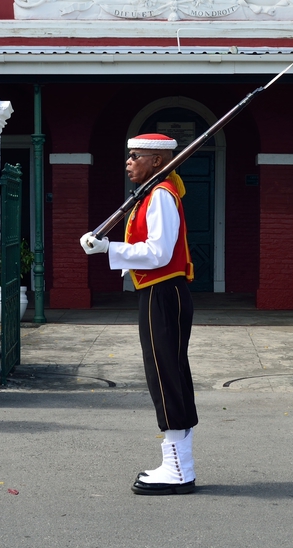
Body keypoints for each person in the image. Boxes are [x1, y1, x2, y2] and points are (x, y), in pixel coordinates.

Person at [80, 133, 198, 495]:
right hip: (159, 292)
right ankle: (179, 463)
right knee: (169, 373)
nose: (129, 162)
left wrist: (108, 249)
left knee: (164, 375)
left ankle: (177, 469)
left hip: (162, 291)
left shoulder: (160, 194)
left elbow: (159, 253)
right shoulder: (154, 192)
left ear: (157, 161)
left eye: (136, 156)